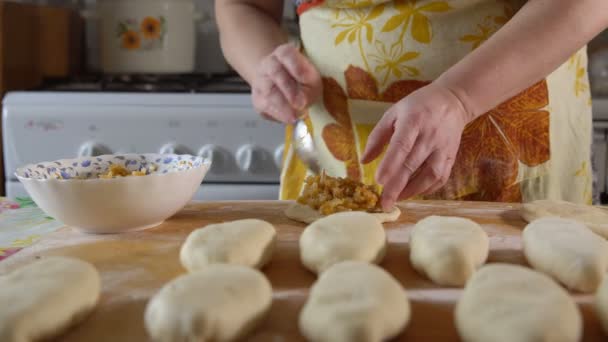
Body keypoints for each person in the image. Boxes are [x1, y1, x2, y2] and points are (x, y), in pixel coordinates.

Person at [216, 0, 608, 211]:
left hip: (512, 140)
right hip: (337, 143)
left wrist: (459, 97)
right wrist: (264, 64)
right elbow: (242, 7)